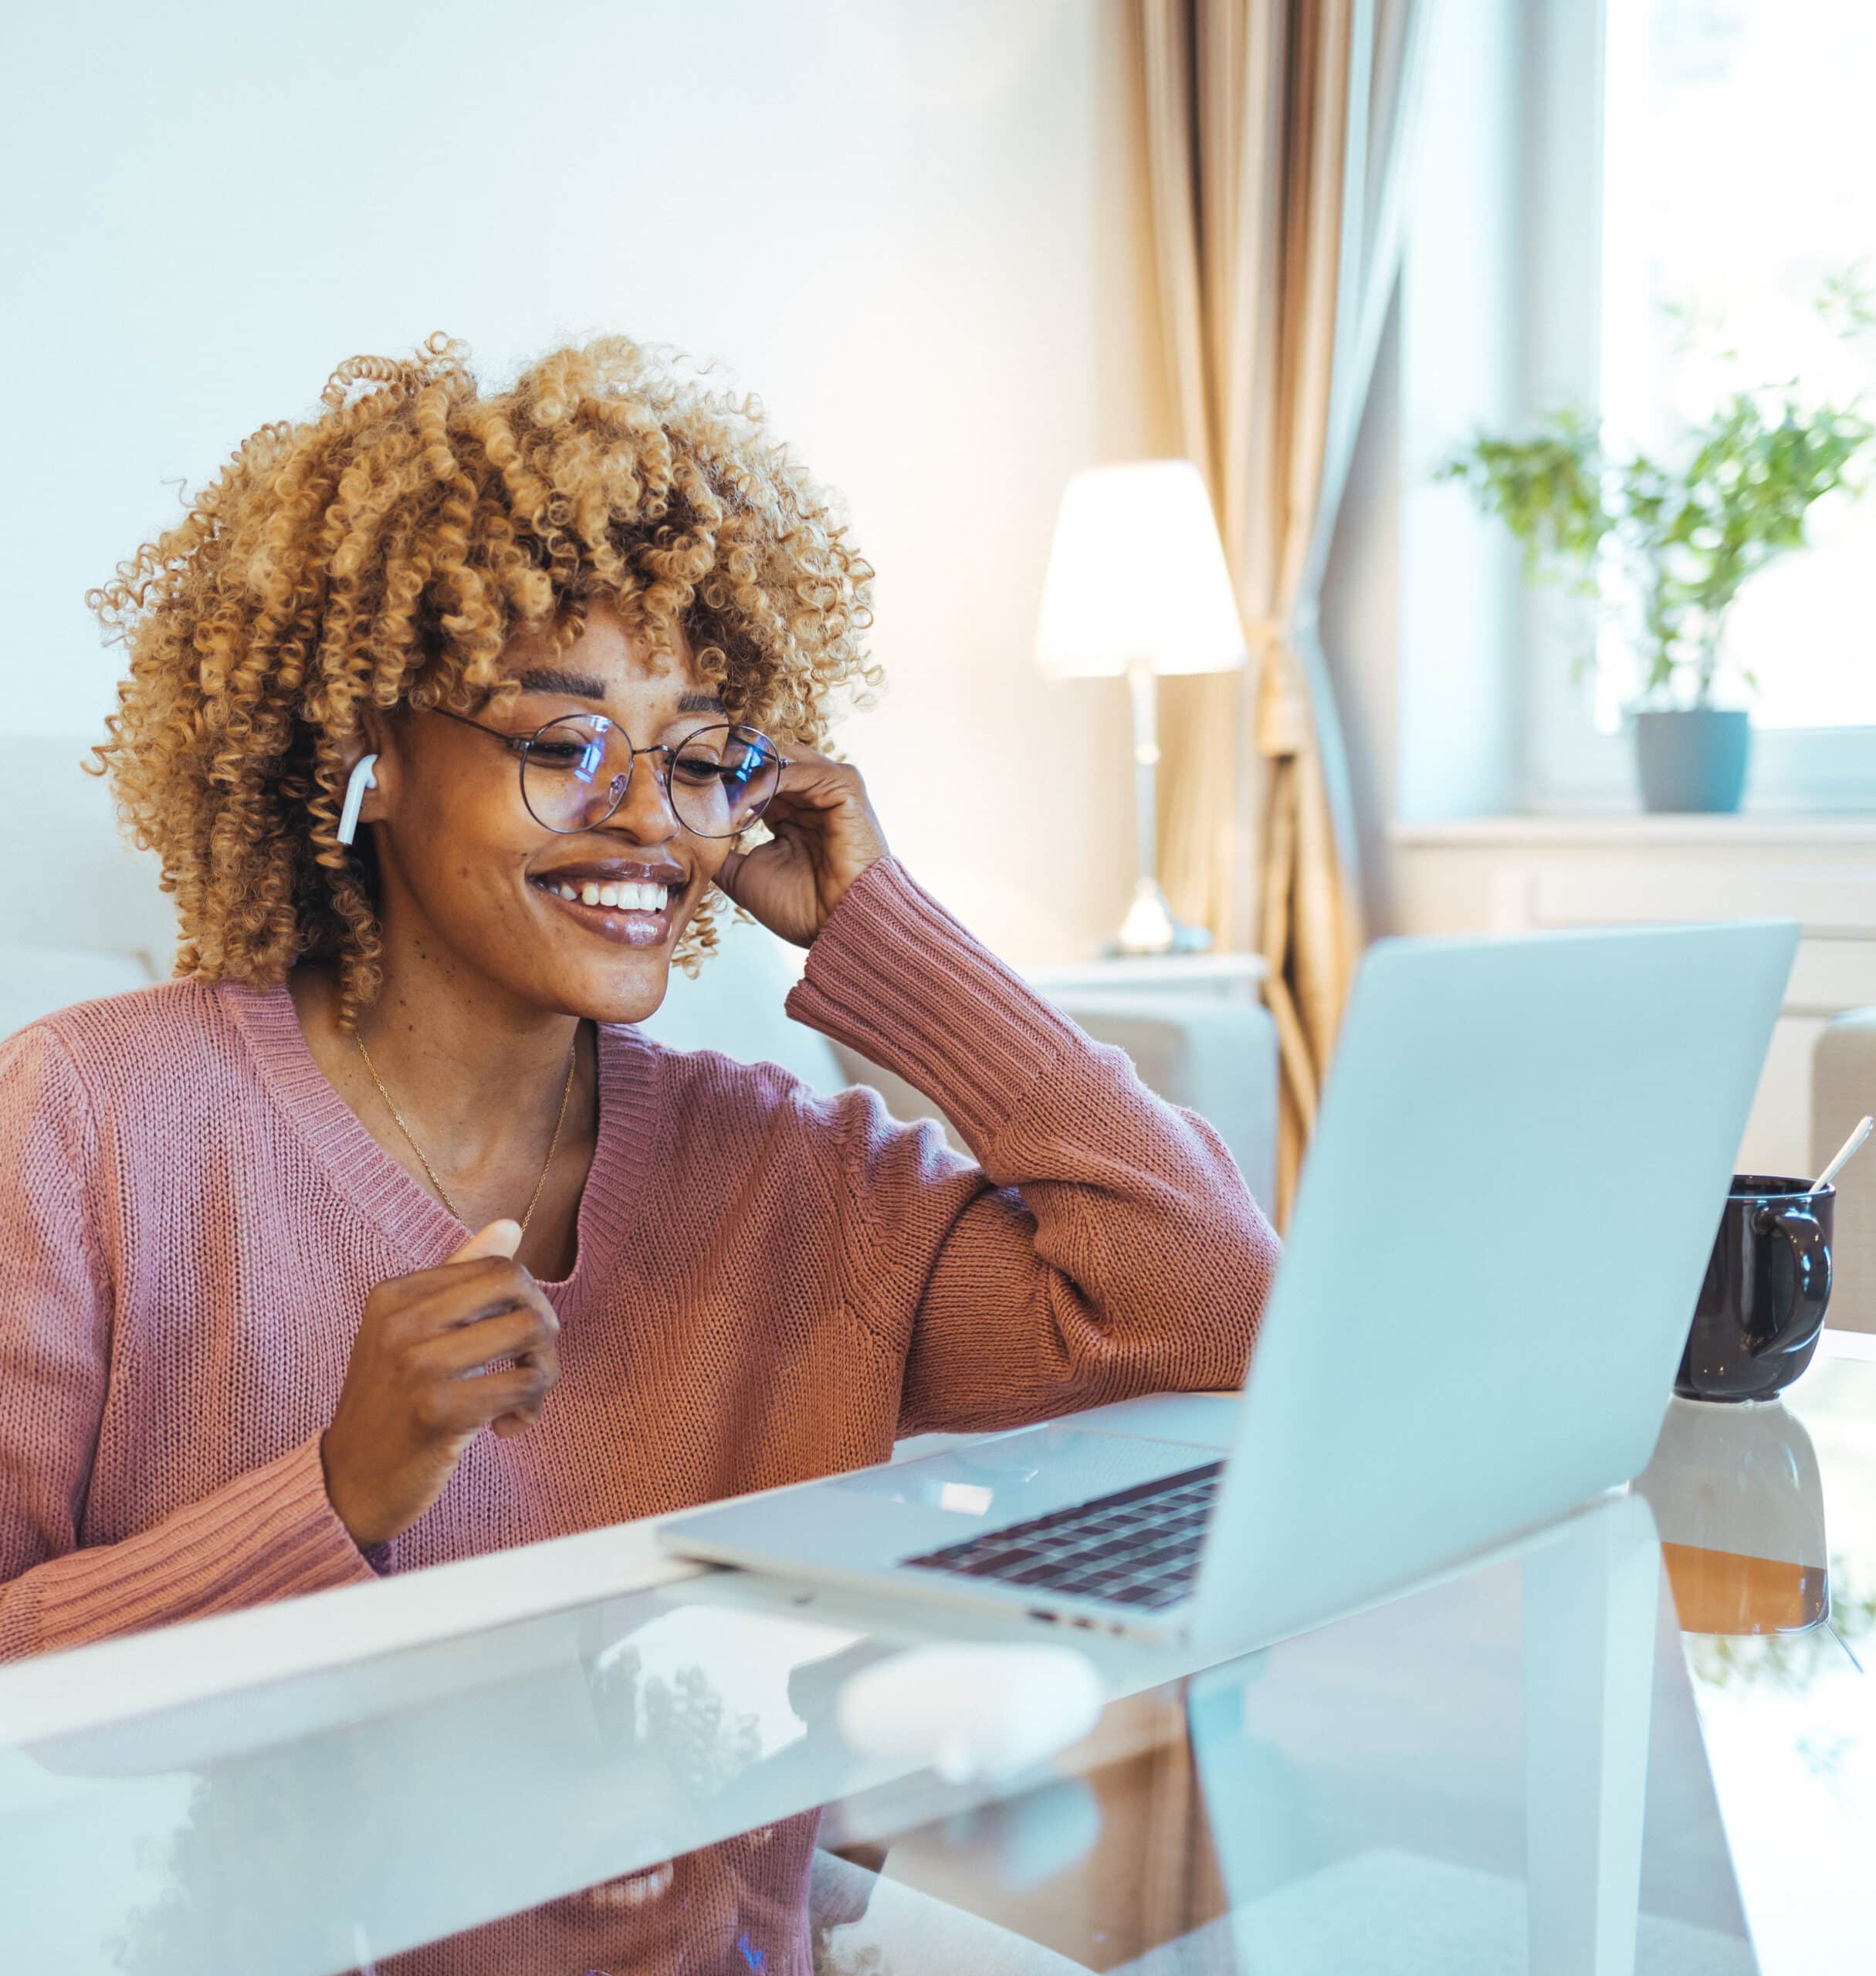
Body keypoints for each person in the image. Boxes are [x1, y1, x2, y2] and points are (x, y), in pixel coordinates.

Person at [0, 332, 1278, 1970]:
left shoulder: (790, 1178)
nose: (649, 820)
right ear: (366, 754)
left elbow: (1214, 1305)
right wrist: (337, 1490)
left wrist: (893, 935)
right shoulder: (89, 1125)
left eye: (696, 757)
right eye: (561, 740)